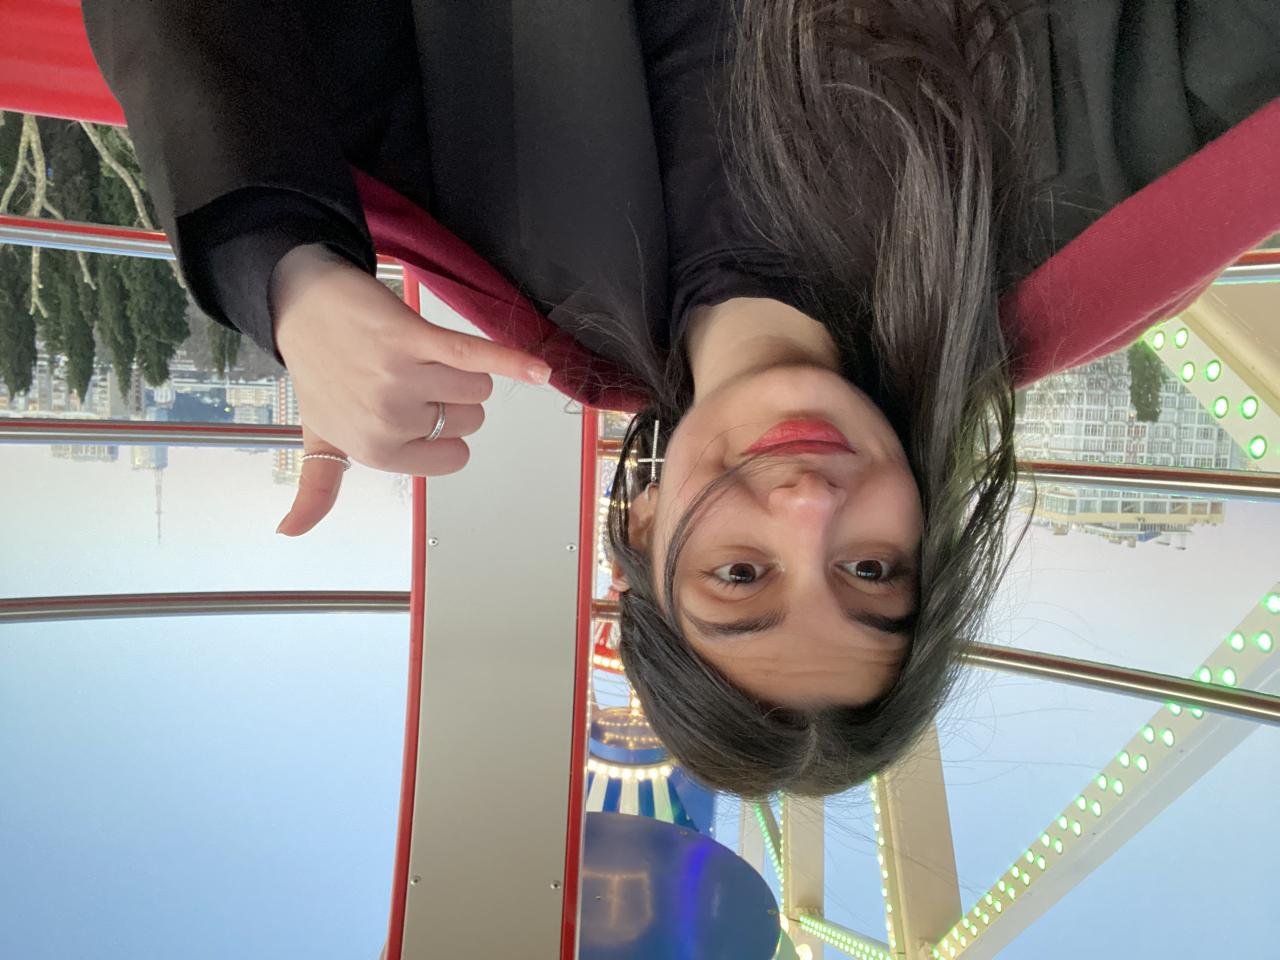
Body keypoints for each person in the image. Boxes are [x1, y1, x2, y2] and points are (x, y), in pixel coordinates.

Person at [84, 0, 1280, 797]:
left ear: (644, 529)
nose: (808, 507)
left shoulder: (501, 234)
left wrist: (284, 271)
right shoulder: (1055, 218)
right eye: (870, 571)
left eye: (740, 575)